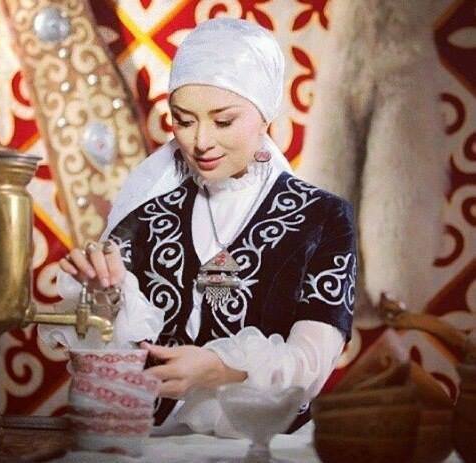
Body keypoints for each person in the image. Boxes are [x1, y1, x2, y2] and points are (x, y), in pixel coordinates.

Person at [56, 17, 356, 436]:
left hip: (263, 447)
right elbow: (108, 366)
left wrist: (221, 368)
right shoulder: (147, 215)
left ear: (265, 114)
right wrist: (103, 302)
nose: (200, 141)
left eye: (223, 121)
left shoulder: (322, 218)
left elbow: (309, 365)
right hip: (150, 447)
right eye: (184, 120)